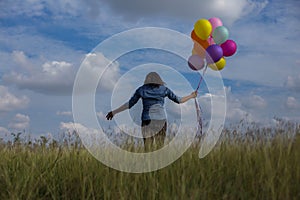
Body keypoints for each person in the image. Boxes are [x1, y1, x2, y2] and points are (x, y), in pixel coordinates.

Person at [106, 72, 197, 151]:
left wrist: (114, 112)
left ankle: (149, 168)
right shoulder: (164, 89)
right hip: (160, 121)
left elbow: (129, 104)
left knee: (148, 148)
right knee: (159, 148)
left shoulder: (141, 90)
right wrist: (191, 95)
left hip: (147, 121)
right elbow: (179, 100)